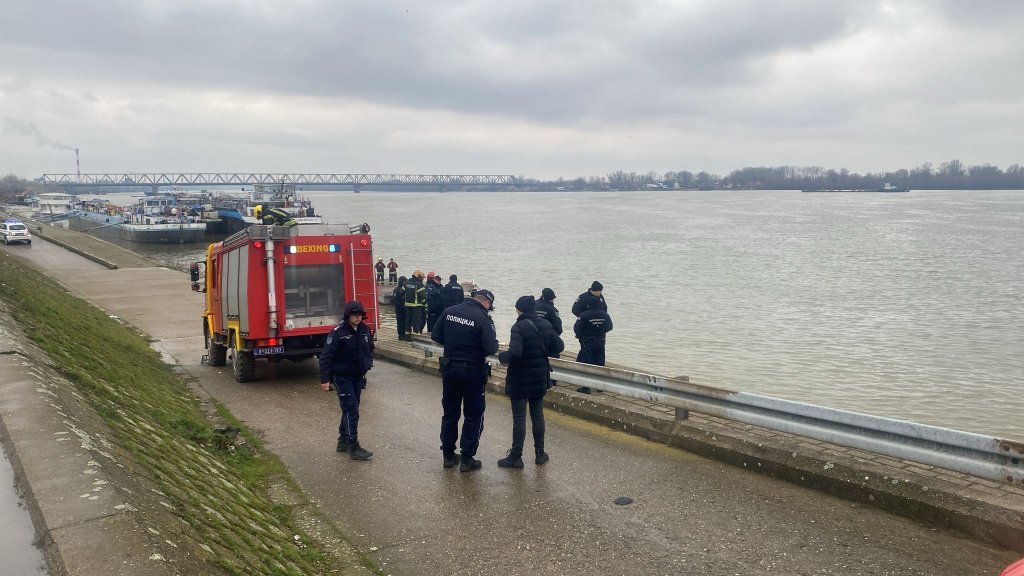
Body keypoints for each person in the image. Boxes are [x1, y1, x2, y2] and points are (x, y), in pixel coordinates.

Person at [431, 288, 499, 472]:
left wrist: (454, 343)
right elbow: (491, 347)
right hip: (472, 372)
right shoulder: (483, 318)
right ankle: (467, 459)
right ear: (486, 302)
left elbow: (436, 335)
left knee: (450, 412)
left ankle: (448, 456)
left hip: (450, 369)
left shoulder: (449, 311)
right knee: (474, 414)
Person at [497, 295, 563, 468]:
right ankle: (540, 454)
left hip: (520, 378)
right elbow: (560, 346)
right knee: (537, 416)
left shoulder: (518, 327)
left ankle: (516, 456)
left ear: (520, 310)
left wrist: (502, 357)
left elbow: (515, 352)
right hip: (539, 376)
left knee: (519, 418)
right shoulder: (546, 324)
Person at [318, 301, 375, 461]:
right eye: (355, 315)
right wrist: (325, 379)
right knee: (351, 409)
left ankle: (342, 441)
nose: (358, 318)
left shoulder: (364, 330)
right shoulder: (337, 333)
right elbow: (325, 357)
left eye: (360, 315)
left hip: (357, 376)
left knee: (351, 407)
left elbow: (370, 348)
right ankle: (353, 446)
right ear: (348, 315)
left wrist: (368, 363)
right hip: (342, 376)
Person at [573, 295, 613, 394]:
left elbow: (577, 329)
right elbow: (610, 327)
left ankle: (586, 387)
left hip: (588, 342)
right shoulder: (605, 315)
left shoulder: (583, 315)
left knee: (587, 363)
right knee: (600, 362)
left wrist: (582, 335)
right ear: (599, 304)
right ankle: (600, 386)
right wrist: (600, 331)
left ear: (588, 305)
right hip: (601, 342)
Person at [393, 276, 409, 341]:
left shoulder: (404, 289)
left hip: (405, 309)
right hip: (399, 309)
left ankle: (405, 334)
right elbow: (395, 300)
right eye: (404, 282)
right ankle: (401, 335)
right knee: (400, 323)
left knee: (405, 322)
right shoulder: (396, 290)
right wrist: (402, 306)